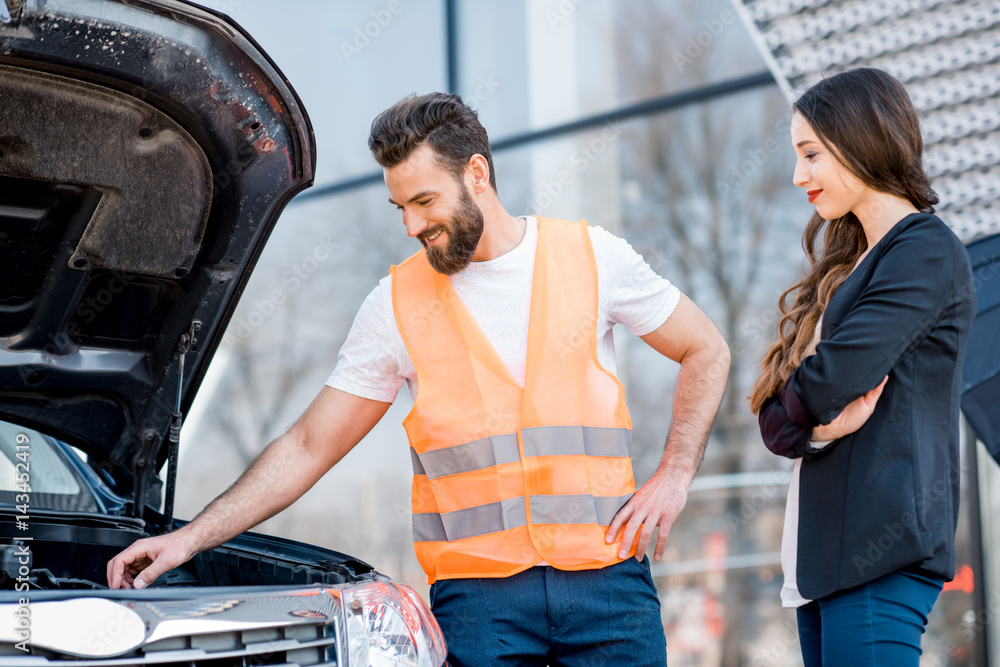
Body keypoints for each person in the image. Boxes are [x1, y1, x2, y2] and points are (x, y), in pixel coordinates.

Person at [107, 92, 730, 665]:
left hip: (609, 589)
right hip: (480, 607)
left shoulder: (592, 257)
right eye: (400, 206)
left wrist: (674, 477)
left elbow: (706, 349)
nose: (411, 225)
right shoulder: (393, 304)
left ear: (477, 175)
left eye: (424, 201)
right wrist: (189, 539)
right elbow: (307, 445)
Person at [750, 68, 975, 665]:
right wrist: (813, 428)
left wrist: (803, 416)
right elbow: (777, 423)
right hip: (825, 560)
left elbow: (826, 384)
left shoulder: (923, 249)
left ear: (859, 140)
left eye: (811, 154)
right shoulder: (850, 269)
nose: (799, 176)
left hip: (881, 551)